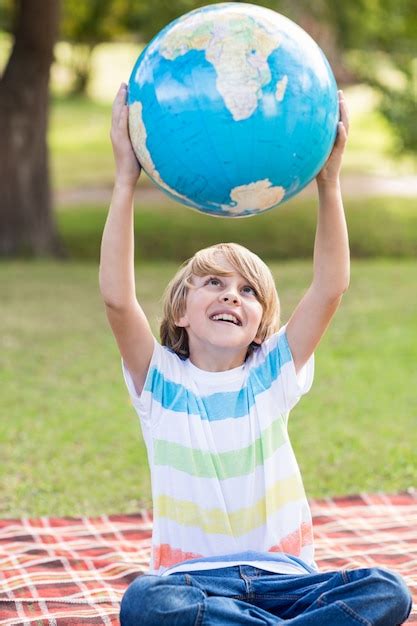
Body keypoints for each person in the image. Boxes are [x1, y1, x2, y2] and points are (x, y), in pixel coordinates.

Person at [100, 83, 412, 626]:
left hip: (288, 579)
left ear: (262, 324)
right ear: (179, 312)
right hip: (193, 585)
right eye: (213, 284)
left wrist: (329, 183)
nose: (230, 295)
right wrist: (126, 177)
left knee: (386, 589)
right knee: (144, 602)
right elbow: (116, 298)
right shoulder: (159, 381)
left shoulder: (273, 373)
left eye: (248, 292)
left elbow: (329, 286)